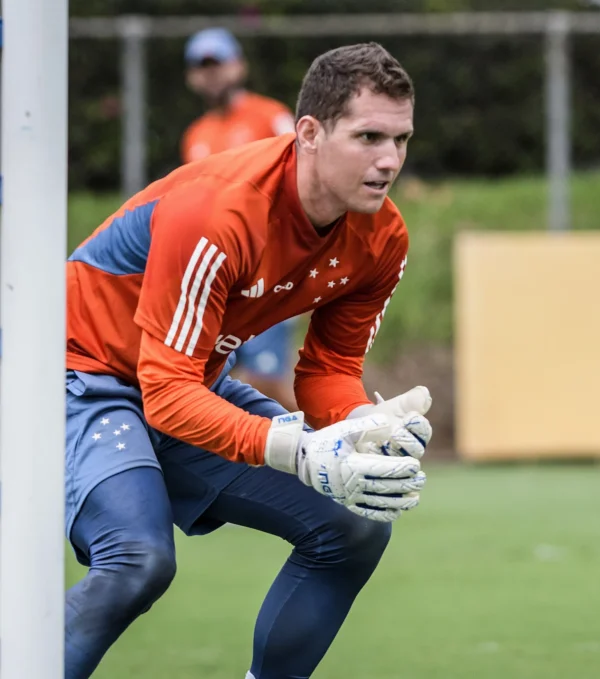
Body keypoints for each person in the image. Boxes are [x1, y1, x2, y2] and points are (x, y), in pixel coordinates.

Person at [65, 42, 432, 679]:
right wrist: (300, 450)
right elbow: (167, 393)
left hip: (181, 379)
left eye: (400, 140)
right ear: (310, 134)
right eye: (368, 136)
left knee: (355, 528)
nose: (389, 160)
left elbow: (327, 369)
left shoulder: (383, 235)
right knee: (136, 559)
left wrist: (360, 426)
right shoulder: (219, 210)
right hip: (79, 374)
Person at [181, 26, 299, 408]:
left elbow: (303, 176)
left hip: (269, 269)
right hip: (220, 276)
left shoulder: (271, 117)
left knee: (265, 380)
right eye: (202, 65)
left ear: (238, 67)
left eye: (218, 63)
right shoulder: (196, 135)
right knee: (221, 383)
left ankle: (322, 448)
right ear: (192, 76)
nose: (211, 72)